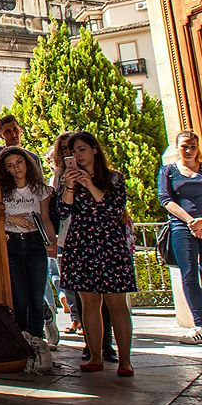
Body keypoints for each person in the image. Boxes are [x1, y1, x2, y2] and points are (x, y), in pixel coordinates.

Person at [55, 131, 136, 376]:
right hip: (81, 242)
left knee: (116, 302)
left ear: (94, 150)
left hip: (108, 242)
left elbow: (114, 209)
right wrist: (69, 186)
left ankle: (125, 360)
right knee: (89, 302)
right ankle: (95, 354)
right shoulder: (66, 179)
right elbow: (62, 211)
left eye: (81, 149)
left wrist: (89, 184)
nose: (76, 155)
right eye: (72, 151)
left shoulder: (113, 179)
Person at [159, 130, 202, 344]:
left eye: (193, 146)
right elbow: (165, 199)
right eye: (184, 146)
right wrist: (190, 220)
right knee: (189, 273)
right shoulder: (168, 171)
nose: (189, 150)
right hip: (182, 226)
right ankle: (199, 324)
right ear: (177, 148)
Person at [0, 146, 57, 340]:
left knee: (36, 297)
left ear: (27, 163)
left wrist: (51, 241)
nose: (16, 168)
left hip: (35, 242)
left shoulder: (39, 190)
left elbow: (46, 217)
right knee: (20, 299)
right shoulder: (3, 191)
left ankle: (38, 339)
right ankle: (24, 341)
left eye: (19, 162)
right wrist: (11, 219)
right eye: (10, 165)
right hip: (12, 243)